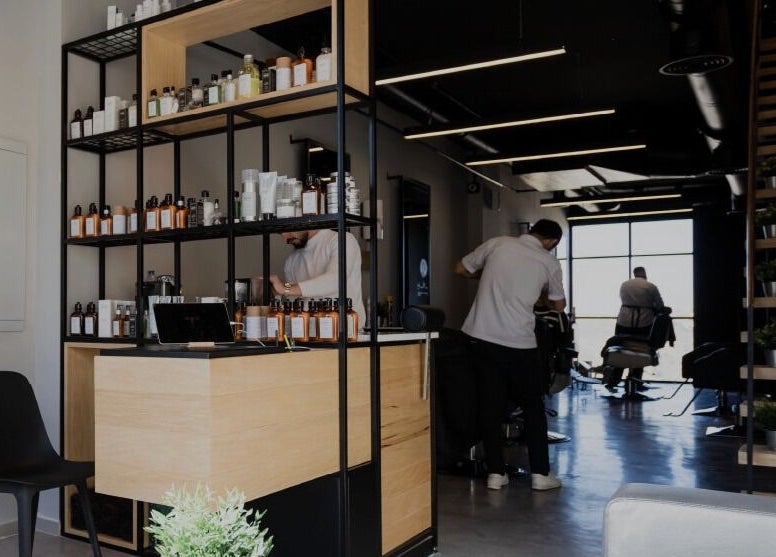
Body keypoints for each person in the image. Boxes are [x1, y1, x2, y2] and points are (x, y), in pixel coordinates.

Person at [455, 219, 566, 491]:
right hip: (519, 343)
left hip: (480, 337)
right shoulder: (548, 261)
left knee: (489, 406)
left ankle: (495, 473)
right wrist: (542, 296)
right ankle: (540, 474)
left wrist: (485, 276)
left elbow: (460, 268)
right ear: (551, 242)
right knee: (533, 407)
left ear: (530, 232)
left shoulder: (498, 243)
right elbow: (559, 305)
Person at [268, 229, 366, 329]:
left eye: (288, 229)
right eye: (280, 233)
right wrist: (278, 291)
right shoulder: (292, 260)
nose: (285, 237)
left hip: (348, 335)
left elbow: (336, 279)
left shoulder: (342, 240)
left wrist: (285, 288)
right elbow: (292, 293)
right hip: (307, 336)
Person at [605, 266, 665, 390]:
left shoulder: (625, 285)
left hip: (624, 320)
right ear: (644, 274)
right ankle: (635, 379)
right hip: (644, 321)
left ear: (634, 273)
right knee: (640, 350)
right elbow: (660, 305)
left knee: (622, 348)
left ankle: (614, 379)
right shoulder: (650, 286)